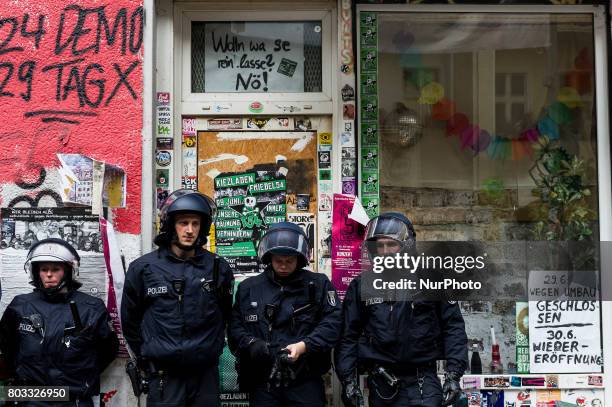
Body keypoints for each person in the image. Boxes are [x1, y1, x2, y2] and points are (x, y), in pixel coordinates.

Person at [335, 212, 468, 407]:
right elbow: (348, 336)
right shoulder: (361, 285)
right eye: (379, 246)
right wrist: (348, 380)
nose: (385, 251)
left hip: (423, 380)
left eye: (391, 244)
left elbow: (453, 328)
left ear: (406, 246)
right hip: (382, 383)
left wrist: (454, 375)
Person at [121, 189, 234, 406]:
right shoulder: (143, 269)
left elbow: (226, 315)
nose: (190, 230)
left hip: (205, 375)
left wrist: (212, 348)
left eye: (195, 223)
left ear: (203, 227)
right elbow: (130, 321)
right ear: (170, 225)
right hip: (164, 375)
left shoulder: (218, 267)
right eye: (183, 223)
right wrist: (147, 356)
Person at [228, 222, 341, 406]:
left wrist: (304, 346)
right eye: (278, 260)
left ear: (300, 259)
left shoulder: (319, 284)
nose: (283, 266)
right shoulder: (249, 289)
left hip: (305, 381)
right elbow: (235, 327)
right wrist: (252, 344)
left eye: (289, 261)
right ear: (269, 257)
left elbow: (333, 323)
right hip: (264, 382)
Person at [0, 238, 119, 406]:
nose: (49, 274)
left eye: (55, 269)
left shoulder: (91, 307)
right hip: (28, 397)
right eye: (44, 269)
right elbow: (7, 346)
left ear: (69, 271)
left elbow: (108, 349)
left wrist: (80, 380)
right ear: (36, 271)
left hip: (73, 398)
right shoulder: (20, 305)